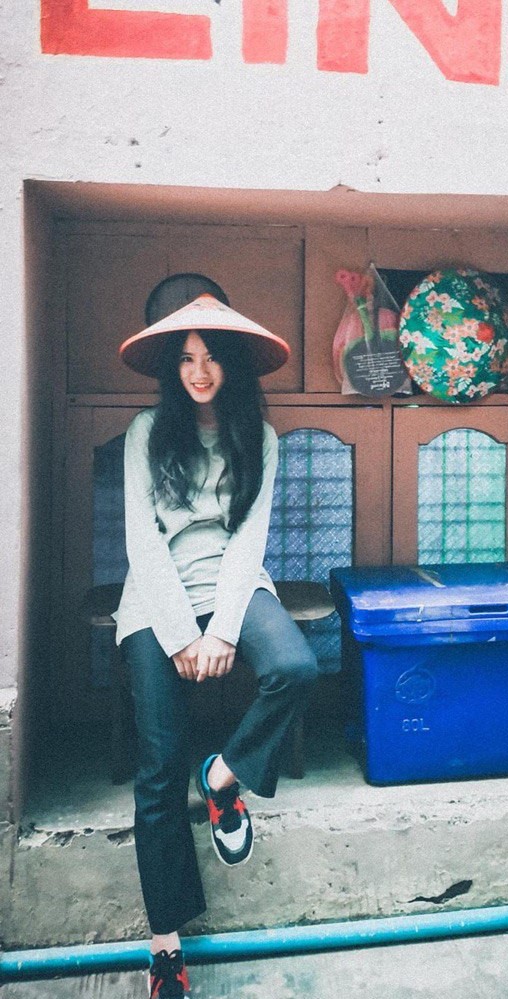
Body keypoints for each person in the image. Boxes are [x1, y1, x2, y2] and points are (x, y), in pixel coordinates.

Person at [115, 294, 319, 998]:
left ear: (232, 365)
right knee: (157, 765)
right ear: (173, 370)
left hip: (231, 583)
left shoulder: (256, 436)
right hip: (156, 596)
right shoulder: (147, 431)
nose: (198, 371)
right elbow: (142, 543)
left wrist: (224, 628)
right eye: (185, 359)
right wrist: (179, 635)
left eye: (210, 358)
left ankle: (226, 775)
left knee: (295, 664)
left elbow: (247, 541)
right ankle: (165, 946)